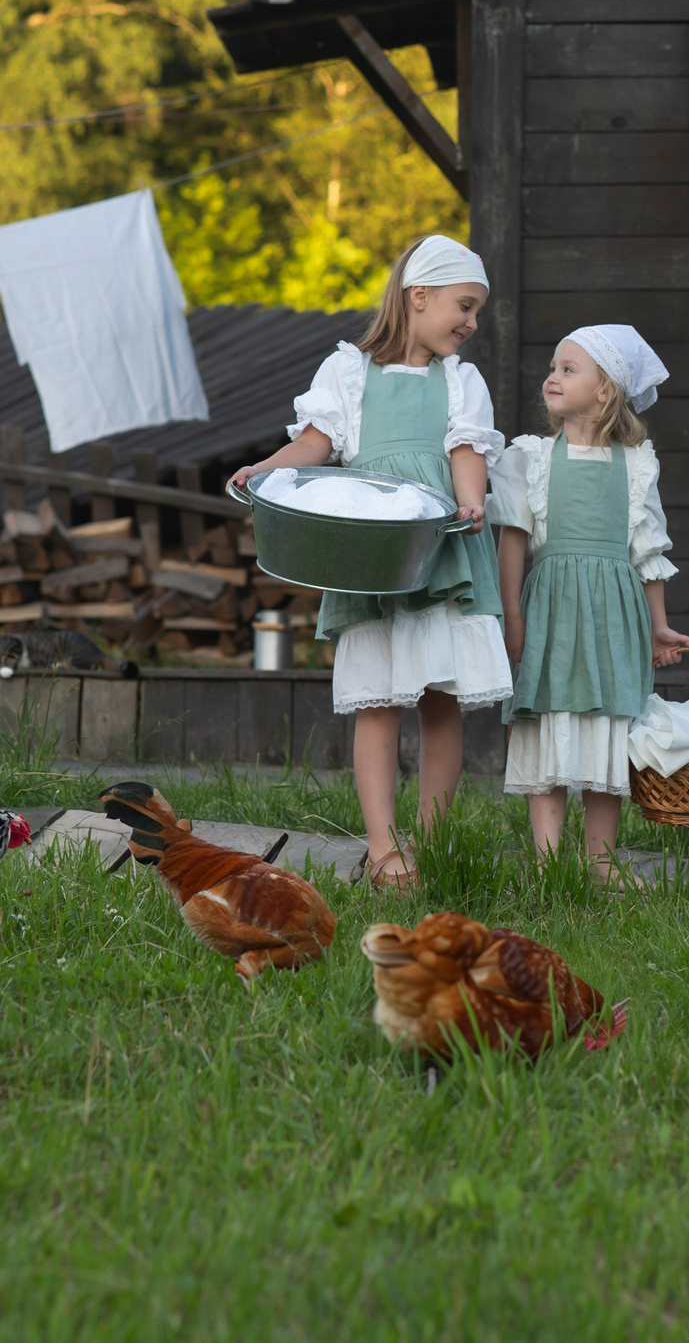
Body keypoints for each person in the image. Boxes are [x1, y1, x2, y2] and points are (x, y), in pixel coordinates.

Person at [228, 235, 509, 889]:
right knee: (378, 700)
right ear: (419, 296)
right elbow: (315, 443)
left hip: (438, 549)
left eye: (477, 311)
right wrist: (267, 469)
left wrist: (470, 500)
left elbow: (467, 452)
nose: (472, 322)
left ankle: (432, 841)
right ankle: (384, 848)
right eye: (464, 306)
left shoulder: (460, 381)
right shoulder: (348, 372)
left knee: (439, 697)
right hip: (370, 551)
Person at [489, 326, 689, 886]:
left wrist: (659, 626)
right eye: (552, 368)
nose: (552, 377)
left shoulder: (635, 465)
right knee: (547, 720)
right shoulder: (530, 458)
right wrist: (512, 615)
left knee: (607, 727)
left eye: (568, 369)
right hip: (551, 612)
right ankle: (548, 864)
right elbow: (511, 542)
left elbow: (648, 553)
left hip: (613, 617)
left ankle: (601, 863)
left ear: (605, 391)